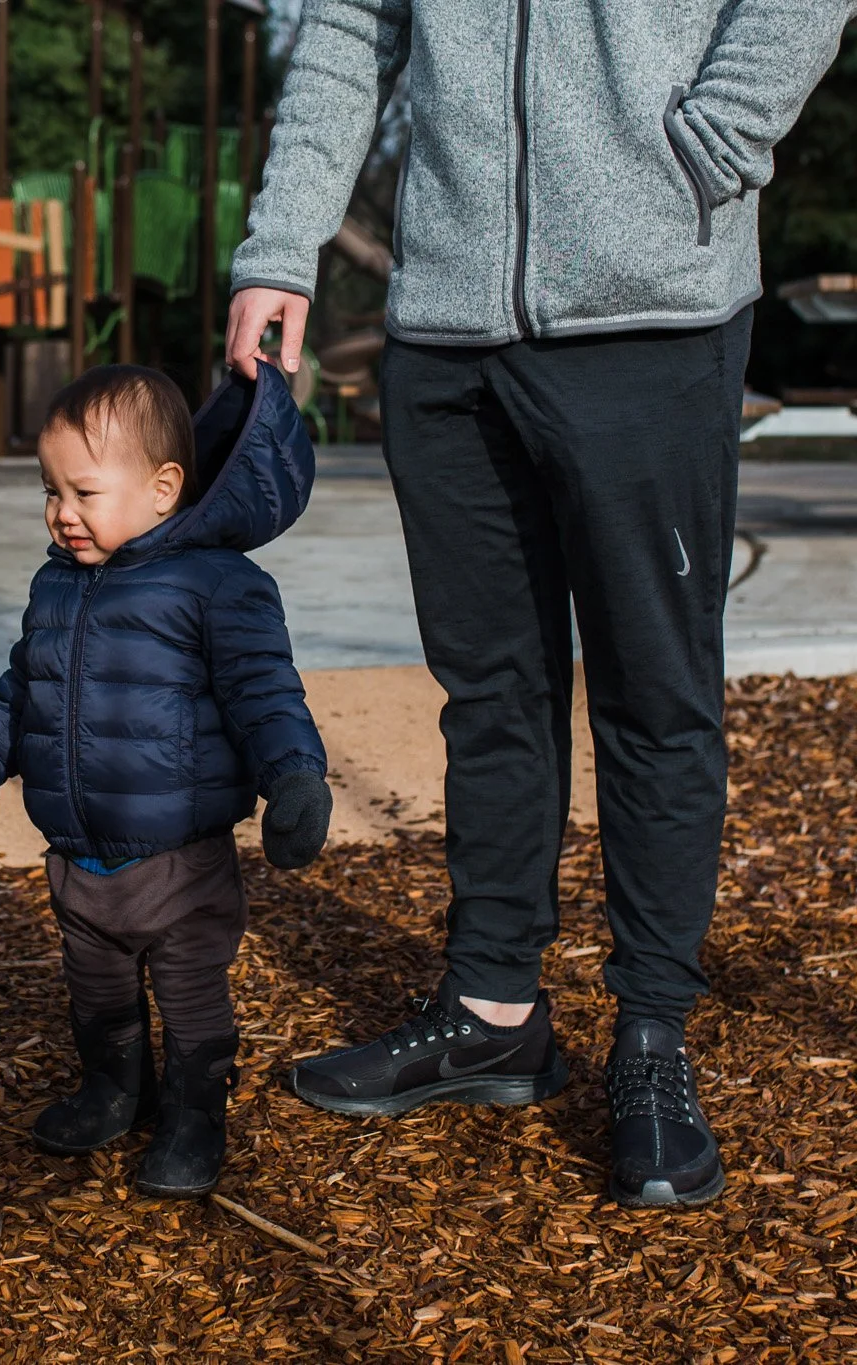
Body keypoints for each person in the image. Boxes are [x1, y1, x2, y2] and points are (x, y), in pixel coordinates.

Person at [224, 0, 856, 1209]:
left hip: (650, 307)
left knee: (652, 694)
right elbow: (350, 29)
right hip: (448, 329)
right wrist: (280, 245)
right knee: (489, 691)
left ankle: (653, 1040)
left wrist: (708, 143)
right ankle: (490, 1010)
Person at [0, 364, 332, 1197]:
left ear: (162, 488)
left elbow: (265, 691)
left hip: (180, 863)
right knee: (98, 992)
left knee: (189, 1001)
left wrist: (294, 777)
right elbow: (21, 687)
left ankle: (193, 1115)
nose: (61, 513)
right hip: (80, 858)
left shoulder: (216, 584)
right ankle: (113, 1088)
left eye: (82, 492)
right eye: (50, 491)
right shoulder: (57, 584)